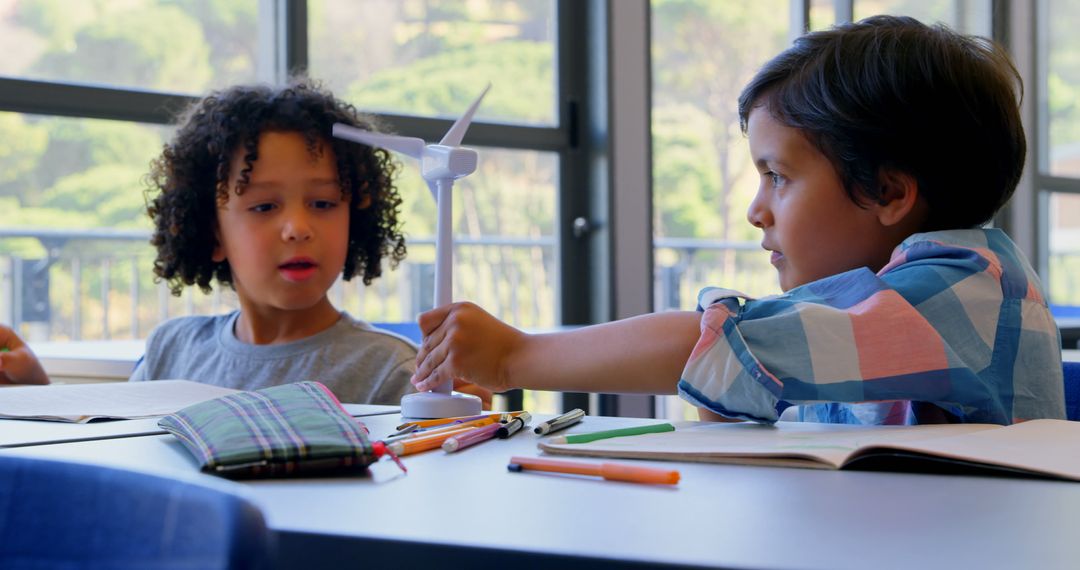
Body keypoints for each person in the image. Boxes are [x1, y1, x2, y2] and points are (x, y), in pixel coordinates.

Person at [409, 16, 1065, 425]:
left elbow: (717, 346)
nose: (756, 210)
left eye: (778, 176)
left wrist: (516, 355)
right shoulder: (869, 316)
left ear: (888, 191)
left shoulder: (965, 290)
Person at [1, 79, 422, 405]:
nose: (297, 227)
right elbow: (122, 463)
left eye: (323, 203)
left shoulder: (392, 372)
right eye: (264, 206)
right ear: (212, 232)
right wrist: (36, 393)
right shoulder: (171, 351)